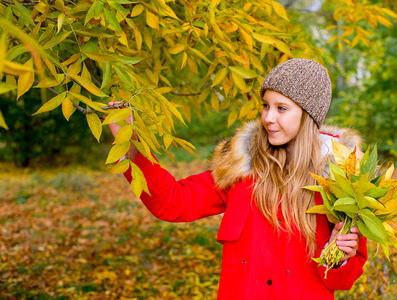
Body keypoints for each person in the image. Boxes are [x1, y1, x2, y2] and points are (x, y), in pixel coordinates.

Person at [107, 59, 367, 299]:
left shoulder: (342, 183)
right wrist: (129, 145)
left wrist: (341, 256)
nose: (268, 118)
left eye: (281, 108)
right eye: (265, 106)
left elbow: (342, 281)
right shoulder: (240, 168)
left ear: (308, 115)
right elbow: (173, 202)